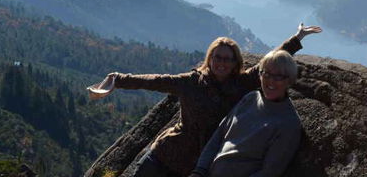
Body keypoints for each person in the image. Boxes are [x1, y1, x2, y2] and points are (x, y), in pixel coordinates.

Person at [88, 23, 321, 177]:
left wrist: (297, 38)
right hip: (164, 155)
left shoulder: (242, 83)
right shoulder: (191, 81)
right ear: (210, 59)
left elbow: (270, 64)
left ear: (236, 62)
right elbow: (155, 81)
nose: (222, 63)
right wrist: (117, 79)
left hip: (195, 167)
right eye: (218, 57)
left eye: (228, 59)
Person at [189, 50, 301, 177]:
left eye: (278, 76)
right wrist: (200, 170)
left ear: (289, 80)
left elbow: (269, 172)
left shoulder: (288, 123)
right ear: (260, 75)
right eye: (266, 74)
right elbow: (219, 135)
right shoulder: (250, 99)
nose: (271, 81)